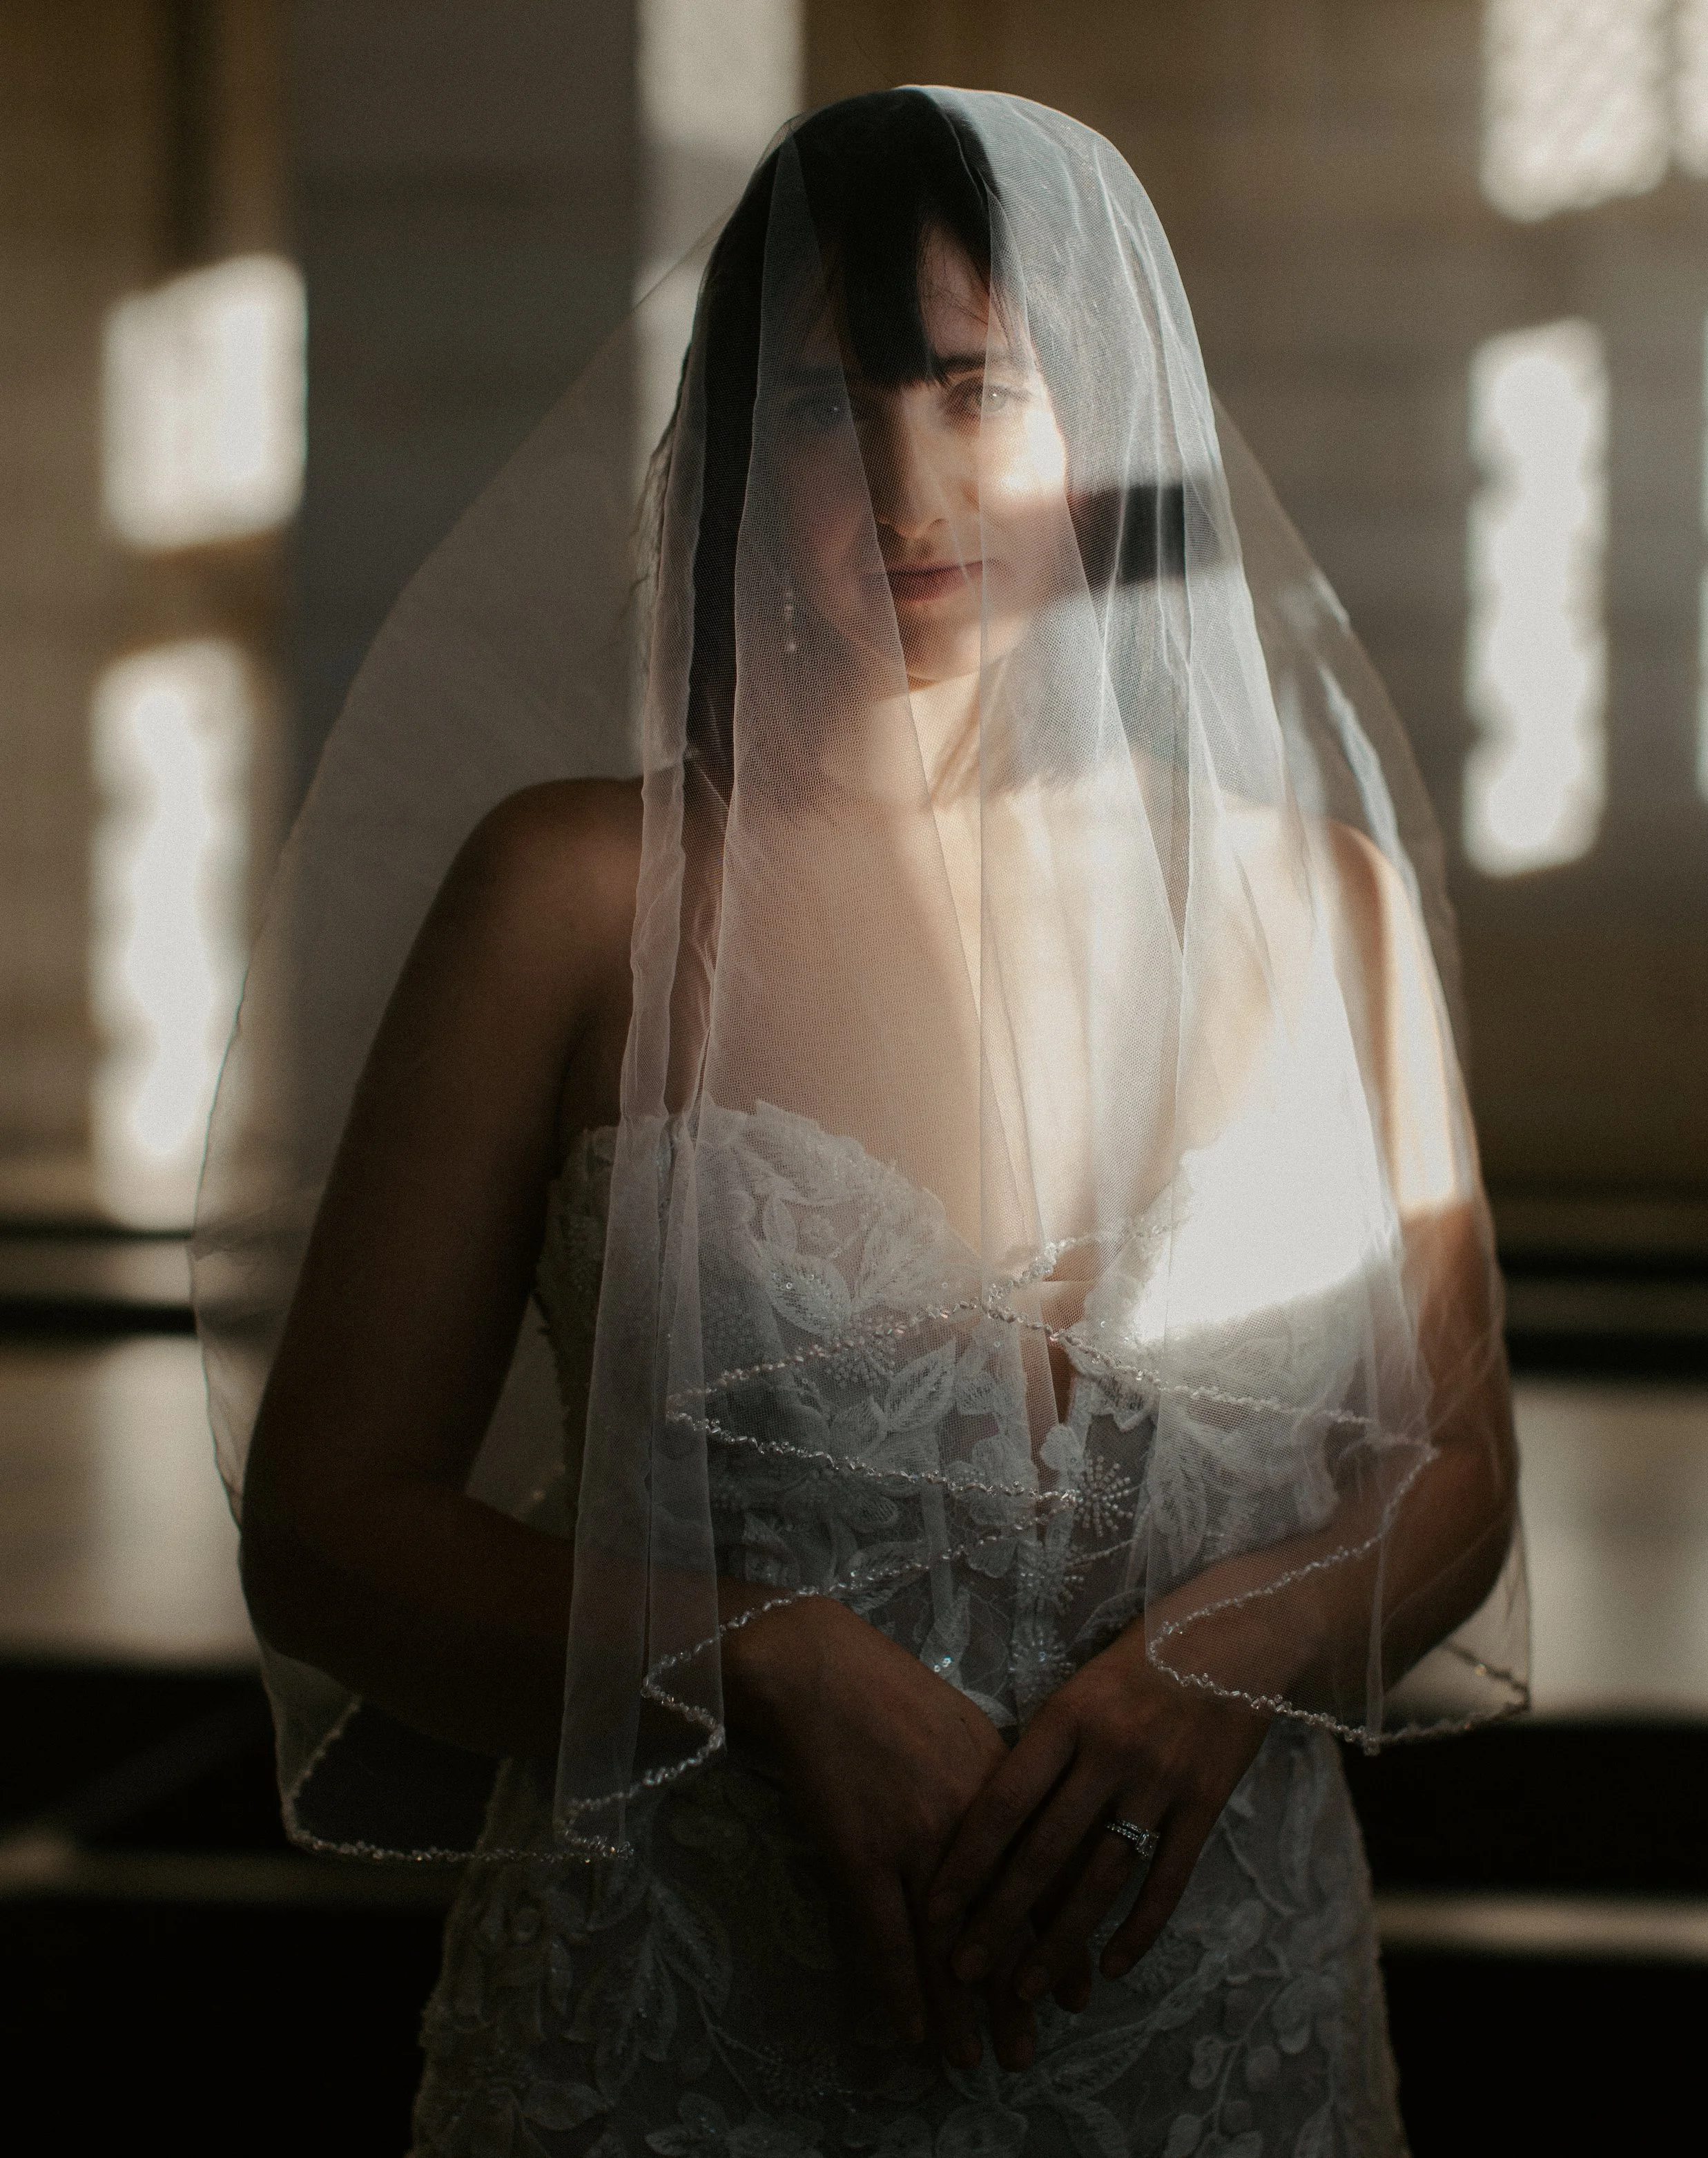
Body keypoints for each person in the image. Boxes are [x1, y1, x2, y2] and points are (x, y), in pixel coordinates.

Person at [197, 88, 1526, 2158]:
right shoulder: (576, 899)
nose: (908, 487)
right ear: (735, 448)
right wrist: (765, 1659)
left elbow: (1453, 1464)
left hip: (1210, 2030)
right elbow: (328, 1524)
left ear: (1108, 418)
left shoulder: (1307, 903)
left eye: (976, 394)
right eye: (828, 411)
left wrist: (1202, 1664)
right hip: (691, 2034)